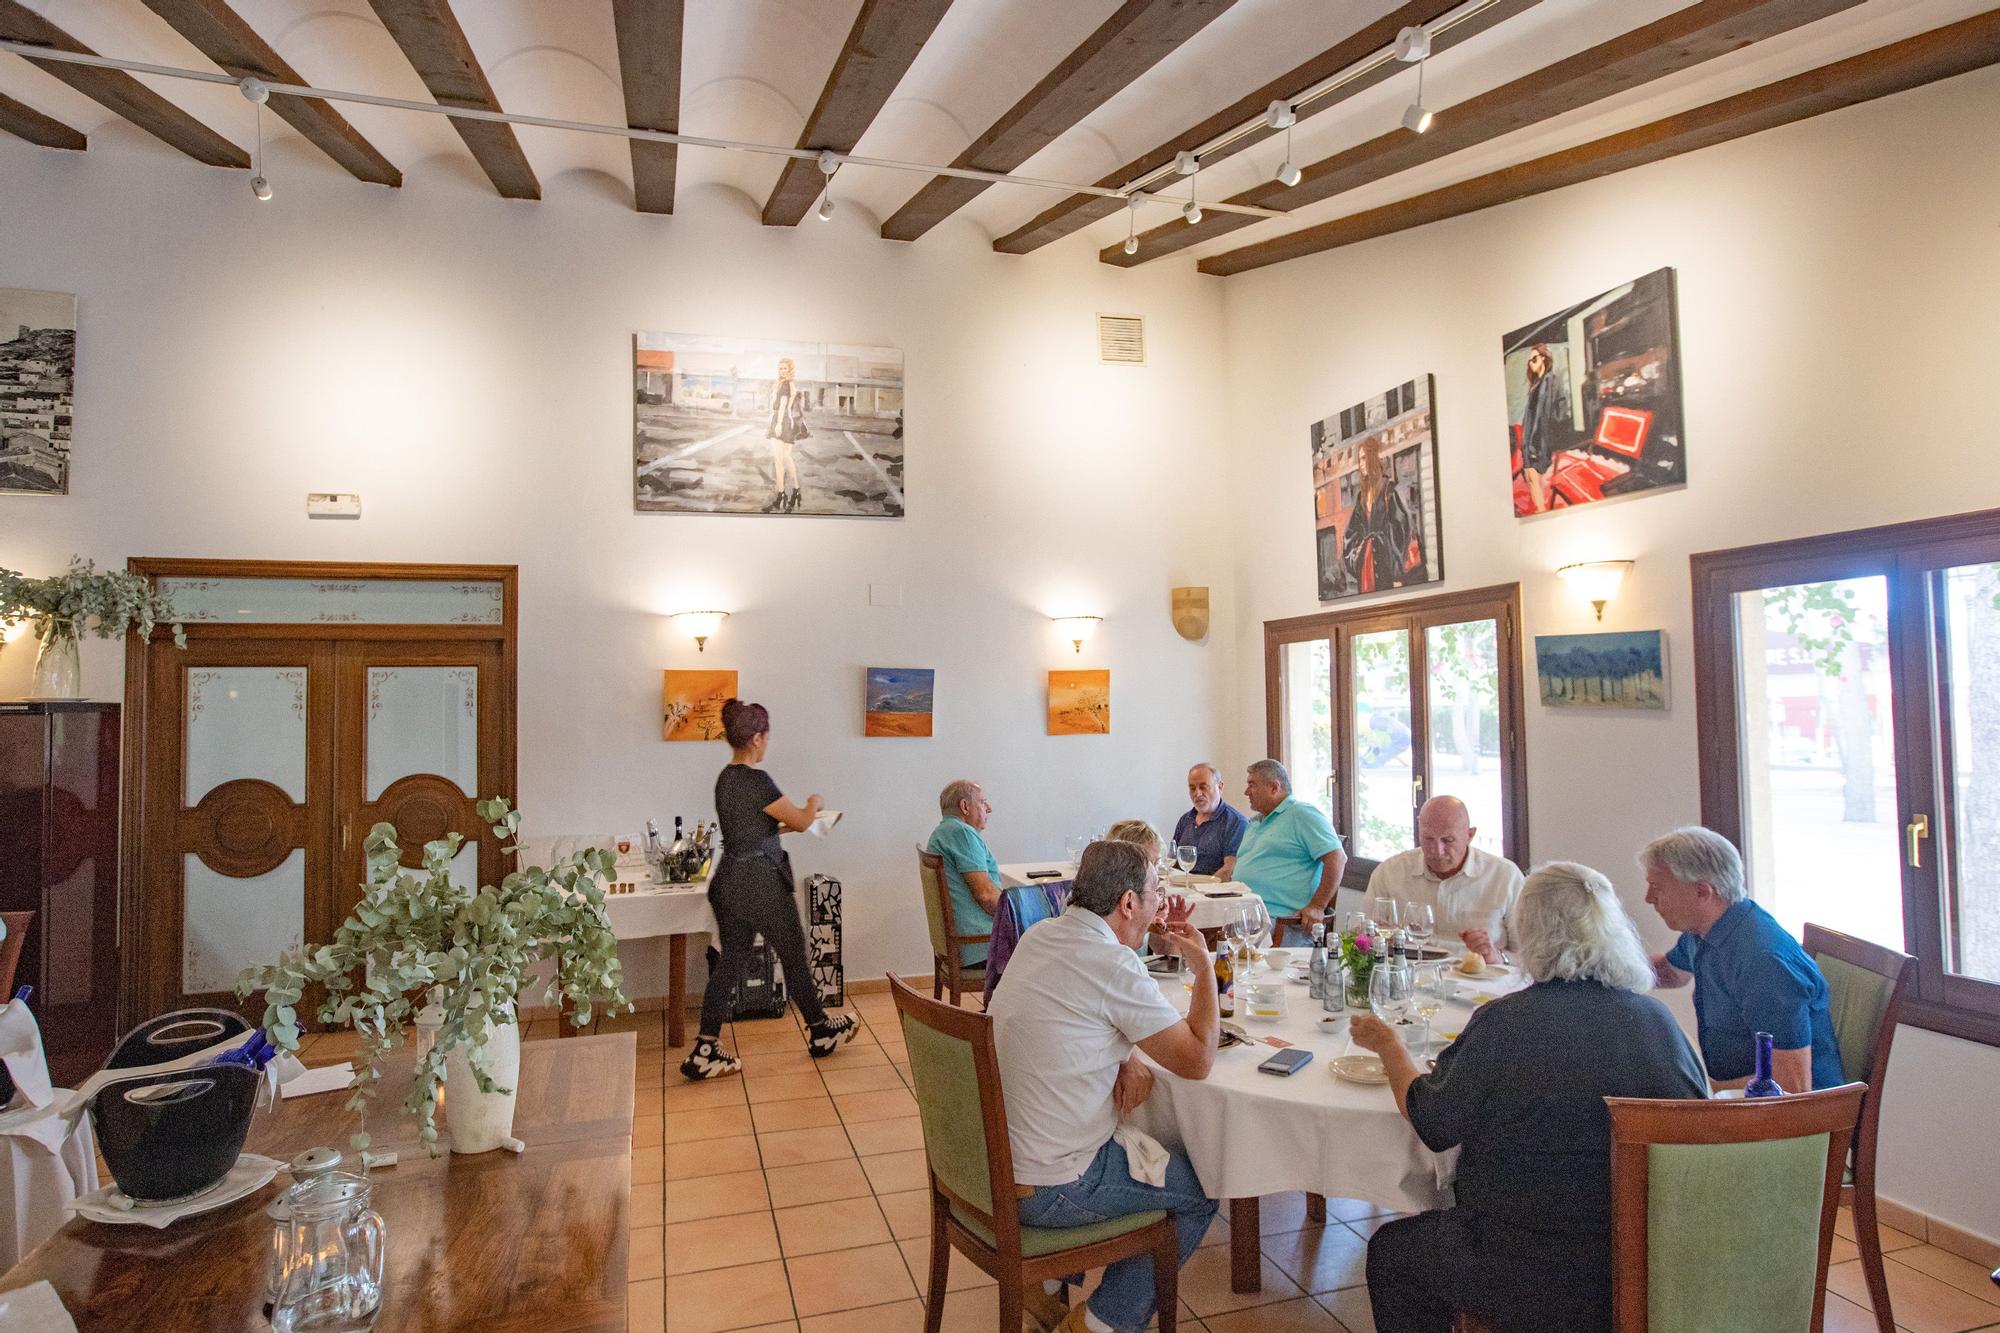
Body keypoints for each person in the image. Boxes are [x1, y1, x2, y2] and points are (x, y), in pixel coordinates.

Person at [1350, 861, 1708, 1333]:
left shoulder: (1506, 1022)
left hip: (1521, 1262)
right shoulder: (1656, 1022)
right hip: (1639, 1257)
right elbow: (1695, 1130)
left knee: (1393, 1254)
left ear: (1531, 934)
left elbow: (1433, 1124)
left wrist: (1389, 1046)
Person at [990, 840, 1219, 1333]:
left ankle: (1049, 1285)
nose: (1161, 901)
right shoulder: (1112, 964)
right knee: (1206, 1186)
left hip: (990, 1166)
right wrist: (1205, 971)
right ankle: (1101, 1322)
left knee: (1128, 1139)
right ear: (1129, 903)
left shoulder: (1040, 935)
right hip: (1048, 1185)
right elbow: (1198, 1061)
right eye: (1157, 890)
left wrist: (1127, 1057)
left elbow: (1073, 1024)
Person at [681, 699, 857, 1080]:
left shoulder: (725, 779)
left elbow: (751, 829)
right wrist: (815, 803)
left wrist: (783, 825)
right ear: (758, 737)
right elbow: (801, 818)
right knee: (793, 956)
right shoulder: (757, 781)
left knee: (729, 962)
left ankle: (705, 1048)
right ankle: (821, 1031)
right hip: (761, 883)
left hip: (729, 882)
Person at [1641, 826, 1843, 1093]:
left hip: (1793, 1119)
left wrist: (1703, 1089)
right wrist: (1597, 966)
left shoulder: (1764, 963)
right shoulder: (1704, 930)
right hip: (1737, 1096)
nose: (1648, 899)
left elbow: (1789, 1086)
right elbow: (1670, 972)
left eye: (1657, 888)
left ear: (1703, 892)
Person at [1366, 796, 1523, 963]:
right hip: (1411, 977)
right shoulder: (1390, 873)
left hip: (1482, 979)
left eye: (1447, 840)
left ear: (1470, 835)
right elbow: (1366, 938)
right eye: (1428, 839)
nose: (1437, 850)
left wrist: (1497, 957)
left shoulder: (1504, 877)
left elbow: (1529, 955)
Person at [1232, 759, 1346, 939]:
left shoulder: (1302, 814)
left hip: (1281, 922)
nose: (1247, 792)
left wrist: (1317, 906)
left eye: (1252, 785)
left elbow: (1337, 857)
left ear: (1274, 787)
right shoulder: (1255, 822)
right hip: (1243, 917)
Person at [927, 780, 1000, 967]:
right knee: (1049, 947)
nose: (989, 808)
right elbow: (986, 896)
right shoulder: (963, 834)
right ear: (965, 806)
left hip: (963, 943)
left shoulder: (942, 832)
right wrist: (1017, 916)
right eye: (983, 802)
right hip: (979, 946)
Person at [1340, 437, 1422, 594]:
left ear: (1373, 458)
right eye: (1359, 459)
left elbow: (1401, 530)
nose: (1361, 464)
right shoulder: (1361, 498)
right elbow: (1350, 533)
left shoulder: (1388, 490)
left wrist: (1397, 574)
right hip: (1366, 566)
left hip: (1385, 567)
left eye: (1364, 458)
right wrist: (1359, 550)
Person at [1169, 763, 1248, 879]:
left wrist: (1200, 889)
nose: (1198, 793)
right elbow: (1173, 860)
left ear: (1220, 787)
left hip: (1213, 892)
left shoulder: (1236, 822)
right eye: (1192, 788)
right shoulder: (1185, 820)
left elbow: (1230, 870)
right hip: (1183, 888)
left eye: (1203, 787)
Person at [1516, 341, 1564, 514]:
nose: (1531, 363)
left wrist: (1534, 442)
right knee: (1530, 476)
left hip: (1538, 439)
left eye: (1534, 359)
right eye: (1529, 361)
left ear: (1543, 358)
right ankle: (1540, 510)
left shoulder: (1549, 380)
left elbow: (1544, 415)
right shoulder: (1537, 383)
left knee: (1534, 477)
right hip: (1531, 438)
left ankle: (1541, 511)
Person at [764, 356, 808, 513]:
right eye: (780, 368)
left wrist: (778, 424)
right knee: (785, 458)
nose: (782, 371)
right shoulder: (790, 384)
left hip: (781, 420)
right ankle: (795, 490)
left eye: (785, 368)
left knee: (778, 461)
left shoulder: (785, 385)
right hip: (787, 421)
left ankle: (781, 495)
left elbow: (782, 405)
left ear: (790, 370)